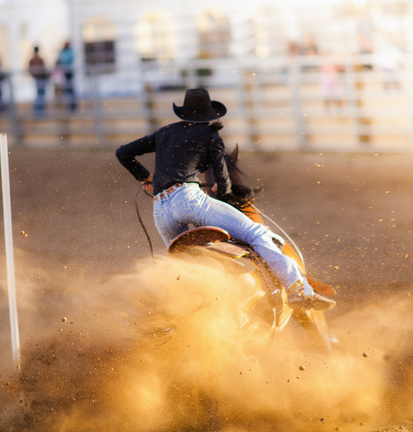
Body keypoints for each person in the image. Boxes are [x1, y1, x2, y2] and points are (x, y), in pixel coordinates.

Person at [116, 88, 335, 311]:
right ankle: (296, 288)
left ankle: (172, 312)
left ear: (183, 112)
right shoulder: (210, 135)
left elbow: (123, 152)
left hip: (160, 210)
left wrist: (145, 177)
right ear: (208, 114)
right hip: (189, 200)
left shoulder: (164, 133)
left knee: (181, 264)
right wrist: (220, 191)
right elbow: (223, 181)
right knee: (255, 233)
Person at [28, 46, 50, 116]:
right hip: (40, 78)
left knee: (40, 95)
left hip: (39, 78)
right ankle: (39, 111)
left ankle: (39, 111)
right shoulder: (38, 60)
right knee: (40, 95)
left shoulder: (34, 60)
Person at [56, 42, 76, 111]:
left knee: (70, 89)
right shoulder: (63, 51)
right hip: (63, 72)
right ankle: (67, 106)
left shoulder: (69, 51)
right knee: (65, 90)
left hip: (68, 71)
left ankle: (73, 106)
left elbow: (67, 59)